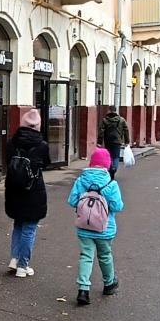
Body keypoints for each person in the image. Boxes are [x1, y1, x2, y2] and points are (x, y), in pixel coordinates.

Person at [67, 148, 125, 306]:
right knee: (105, 255)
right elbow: (117, 206)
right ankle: (109, 283)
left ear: (91, 164)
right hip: (105, 229)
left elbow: (72, 201)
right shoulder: (111, 184)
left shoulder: (81, 181)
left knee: (86, 256)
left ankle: (83, 289)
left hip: (84, 227)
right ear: (107, 165)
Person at [5, 109, 50, 277]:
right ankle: (23, 266)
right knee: (29, 228)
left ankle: (14, 259)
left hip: (14, 189)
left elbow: (8, 162)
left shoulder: (12, 142)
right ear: (38, 126)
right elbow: (46, 163)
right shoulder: (42, 145)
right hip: (33, 190)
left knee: (18, 224)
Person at [97, 106, 131, 179]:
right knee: (116, 157)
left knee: (109, 156)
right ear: (116, 111)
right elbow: (126, 131)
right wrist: (127, 141)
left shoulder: (105, 120)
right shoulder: (121, 120)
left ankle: (110, 169)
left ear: (109, 110)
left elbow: (101, 132)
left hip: (108, 141)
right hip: (117, 141)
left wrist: (99, 142)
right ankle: (114, 169)